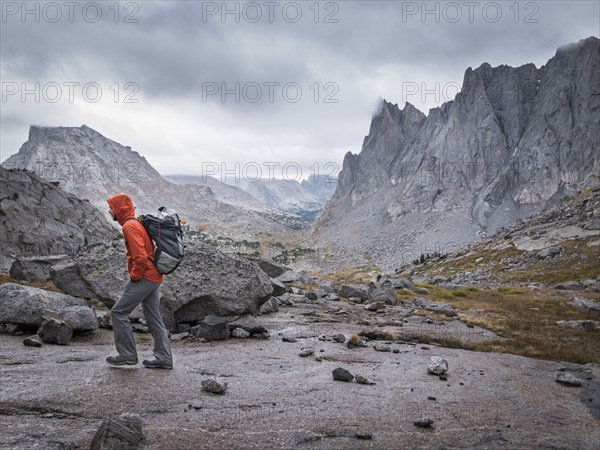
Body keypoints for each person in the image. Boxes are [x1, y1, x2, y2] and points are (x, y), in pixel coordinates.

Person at [106, 193, 173, 369]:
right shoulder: (137, 223)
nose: (109, 211)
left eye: (111, 208)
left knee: (119, 312)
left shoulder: (129, 226)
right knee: (154, 318)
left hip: (145, 277)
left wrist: (135, 276)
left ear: (119, 209)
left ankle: (127, 354)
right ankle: (164, 358)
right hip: (154, 276)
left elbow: (141, 257)